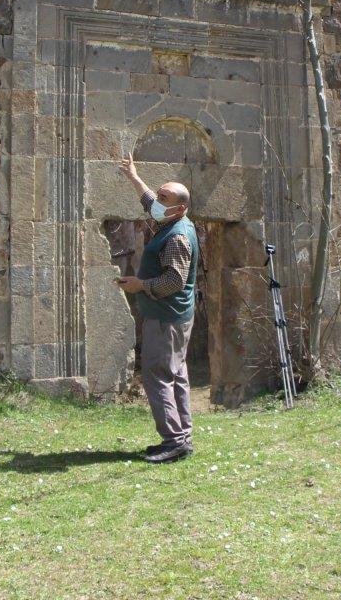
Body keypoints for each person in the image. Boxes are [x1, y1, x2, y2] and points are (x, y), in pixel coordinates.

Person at [116, 153, 199, 464]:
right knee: (175, 375)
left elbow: (173, 281)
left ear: (179, 207)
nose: (158, 201)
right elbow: (152, 203)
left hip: (167, 318)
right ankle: (182, 437)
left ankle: (174, 441)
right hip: (175, 317)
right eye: (159, 195)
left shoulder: (178, 237)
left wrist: (140, 285)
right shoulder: (172, 219)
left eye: (164, 197)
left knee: (158, 376)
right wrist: (134, 176)